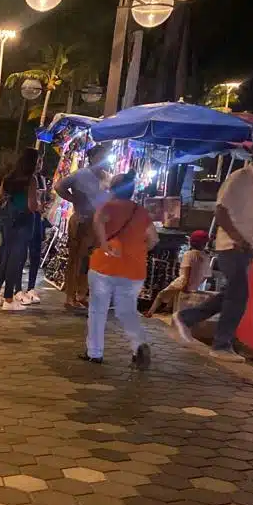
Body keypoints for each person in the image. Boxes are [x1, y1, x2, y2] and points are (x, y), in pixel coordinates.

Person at [174, 136, 253, 361]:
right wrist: (237, 238)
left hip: (248, 247)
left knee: (231, 293)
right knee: (239, 294)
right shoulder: (239, 178)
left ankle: (186, 317)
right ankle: (221, 345)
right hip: (230, 246)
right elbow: (221, 211)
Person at [82, 172, 158, 368]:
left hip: (104, 266)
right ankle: (138, 345)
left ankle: (95, 352)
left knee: (98, 310)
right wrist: (138, 250)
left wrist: (105, 244)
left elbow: (97, 225)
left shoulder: (106, 207)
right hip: (133, 270)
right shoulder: (141, 211)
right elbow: (154, 239)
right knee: (127, 311)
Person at [55, 144, 111, 308]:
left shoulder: (106, 177)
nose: (104, 160)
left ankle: (82, 293)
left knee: (92, 261)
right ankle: (70, 296)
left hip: (98, 223)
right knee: (76, 259)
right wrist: (74, 199)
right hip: (82, 219)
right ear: (92, 158)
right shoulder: (80, 174)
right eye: (101, 157)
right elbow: (59, 186)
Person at [0, 148, 40, 311]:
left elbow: (0, 198)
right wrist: (40, 206)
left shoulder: (8, 178)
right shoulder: (31, 180)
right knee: (16, 259)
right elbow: (32, 205)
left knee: (7, 256)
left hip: (7, 220)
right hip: (23, 221)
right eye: (38, 160)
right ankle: (9, 299)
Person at [145, 229, 212, 317]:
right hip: (194, 285)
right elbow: (206, 276)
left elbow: (187, 270)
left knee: (161, 295)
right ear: (204, 244)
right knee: (174, 299)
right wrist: (196, 284)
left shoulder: (189, 254)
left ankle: (150, 312)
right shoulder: (206, 257)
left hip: (182, 282)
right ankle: (167, 310)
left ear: (191, 242)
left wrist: (185, 285)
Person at [22, 156, 52, 303]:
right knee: (20, 253)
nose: (39, 164)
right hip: (25, 218)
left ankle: (31, 287)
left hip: (37, 218)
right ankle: (15, 289)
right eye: (37, 161)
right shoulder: (24, 178)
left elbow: (44, 197)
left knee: (35, 253)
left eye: (41, 161)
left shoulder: (40, 178)